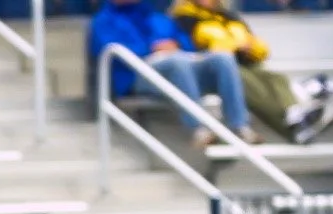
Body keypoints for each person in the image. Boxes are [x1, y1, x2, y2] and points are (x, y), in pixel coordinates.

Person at [90, 0, 254, 148]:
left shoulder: (158, 17)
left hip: (180, 69)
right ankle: (198, 129)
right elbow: (107, 51)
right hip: (137, 75)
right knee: (177, 61)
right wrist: (152, 48)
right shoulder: (103, 20)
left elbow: (187, 44)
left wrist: (176, 44)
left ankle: (239, 126)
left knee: (222, 57)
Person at [169, 0, 333, 143]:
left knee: (275, 77)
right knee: (245, 80)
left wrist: (252, 48)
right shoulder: (184, 18)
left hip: (240, 61)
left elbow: (258, 45)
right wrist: (237, 45)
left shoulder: (230, 16)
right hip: (210, 70)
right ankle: (293, 127)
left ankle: (294, 111)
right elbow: (206, 46)